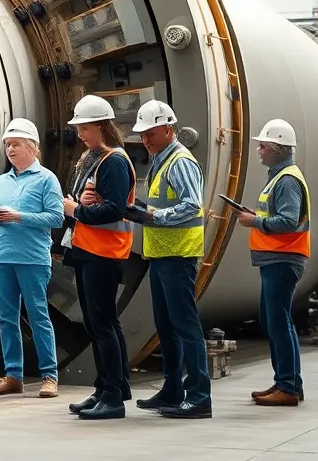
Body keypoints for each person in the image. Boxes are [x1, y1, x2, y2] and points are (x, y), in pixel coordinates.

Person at [123, 100, 211, 419]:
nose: (145, 139)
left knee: (185, 326)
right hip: (162, 255)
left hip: (178, 255)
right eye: (142, 134)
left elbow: (192, 206)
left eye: (150, 133)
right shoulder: (161, 160)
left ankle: (199, 397)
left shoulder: (180, 161)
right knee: (167, 326)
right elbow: (162, 204)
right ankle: (172, 390)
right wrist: (140, 209)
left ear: (168, 129)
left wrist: (151, 216)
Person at [61, 94, 136, 421]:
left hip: (103, 253)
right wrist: (82, 205)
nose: (79, 133)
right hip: (89, 250)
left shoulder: (113, 161)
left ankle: (112, 397)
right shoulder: (98, 159)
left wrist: (76, 210)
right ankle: (108, 387)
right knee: (98, 323)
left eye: (84, 127)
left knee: (102, 323)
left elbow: (115, 209)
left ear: (101, 126)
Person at [0, 118, 64, 399]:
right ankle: (13, 376)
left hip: (33, 259)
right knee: (6, 318)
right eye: (7, 145)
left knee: (38, 316)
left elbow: (56, 217)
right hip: (3, 258)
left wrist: (18, 216)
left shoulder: (46, 179)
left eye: (15, 144)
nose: (10, 149)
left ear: (32, 147)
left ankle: (50, 376)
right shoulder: (1, 181)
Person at [235, 118, 308, 407]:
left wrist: (255, 221)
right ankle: (288, 383)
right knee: (276, 320)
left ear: (277, 149)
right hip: (277, 258)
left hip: (282, 258)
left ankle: (287, 386)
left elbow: (289, 221)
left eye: (263, 146)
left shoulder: (287, 180)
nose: (259, 150)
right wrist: (258, 218)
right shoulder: (281, 176)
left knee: (277, 322)